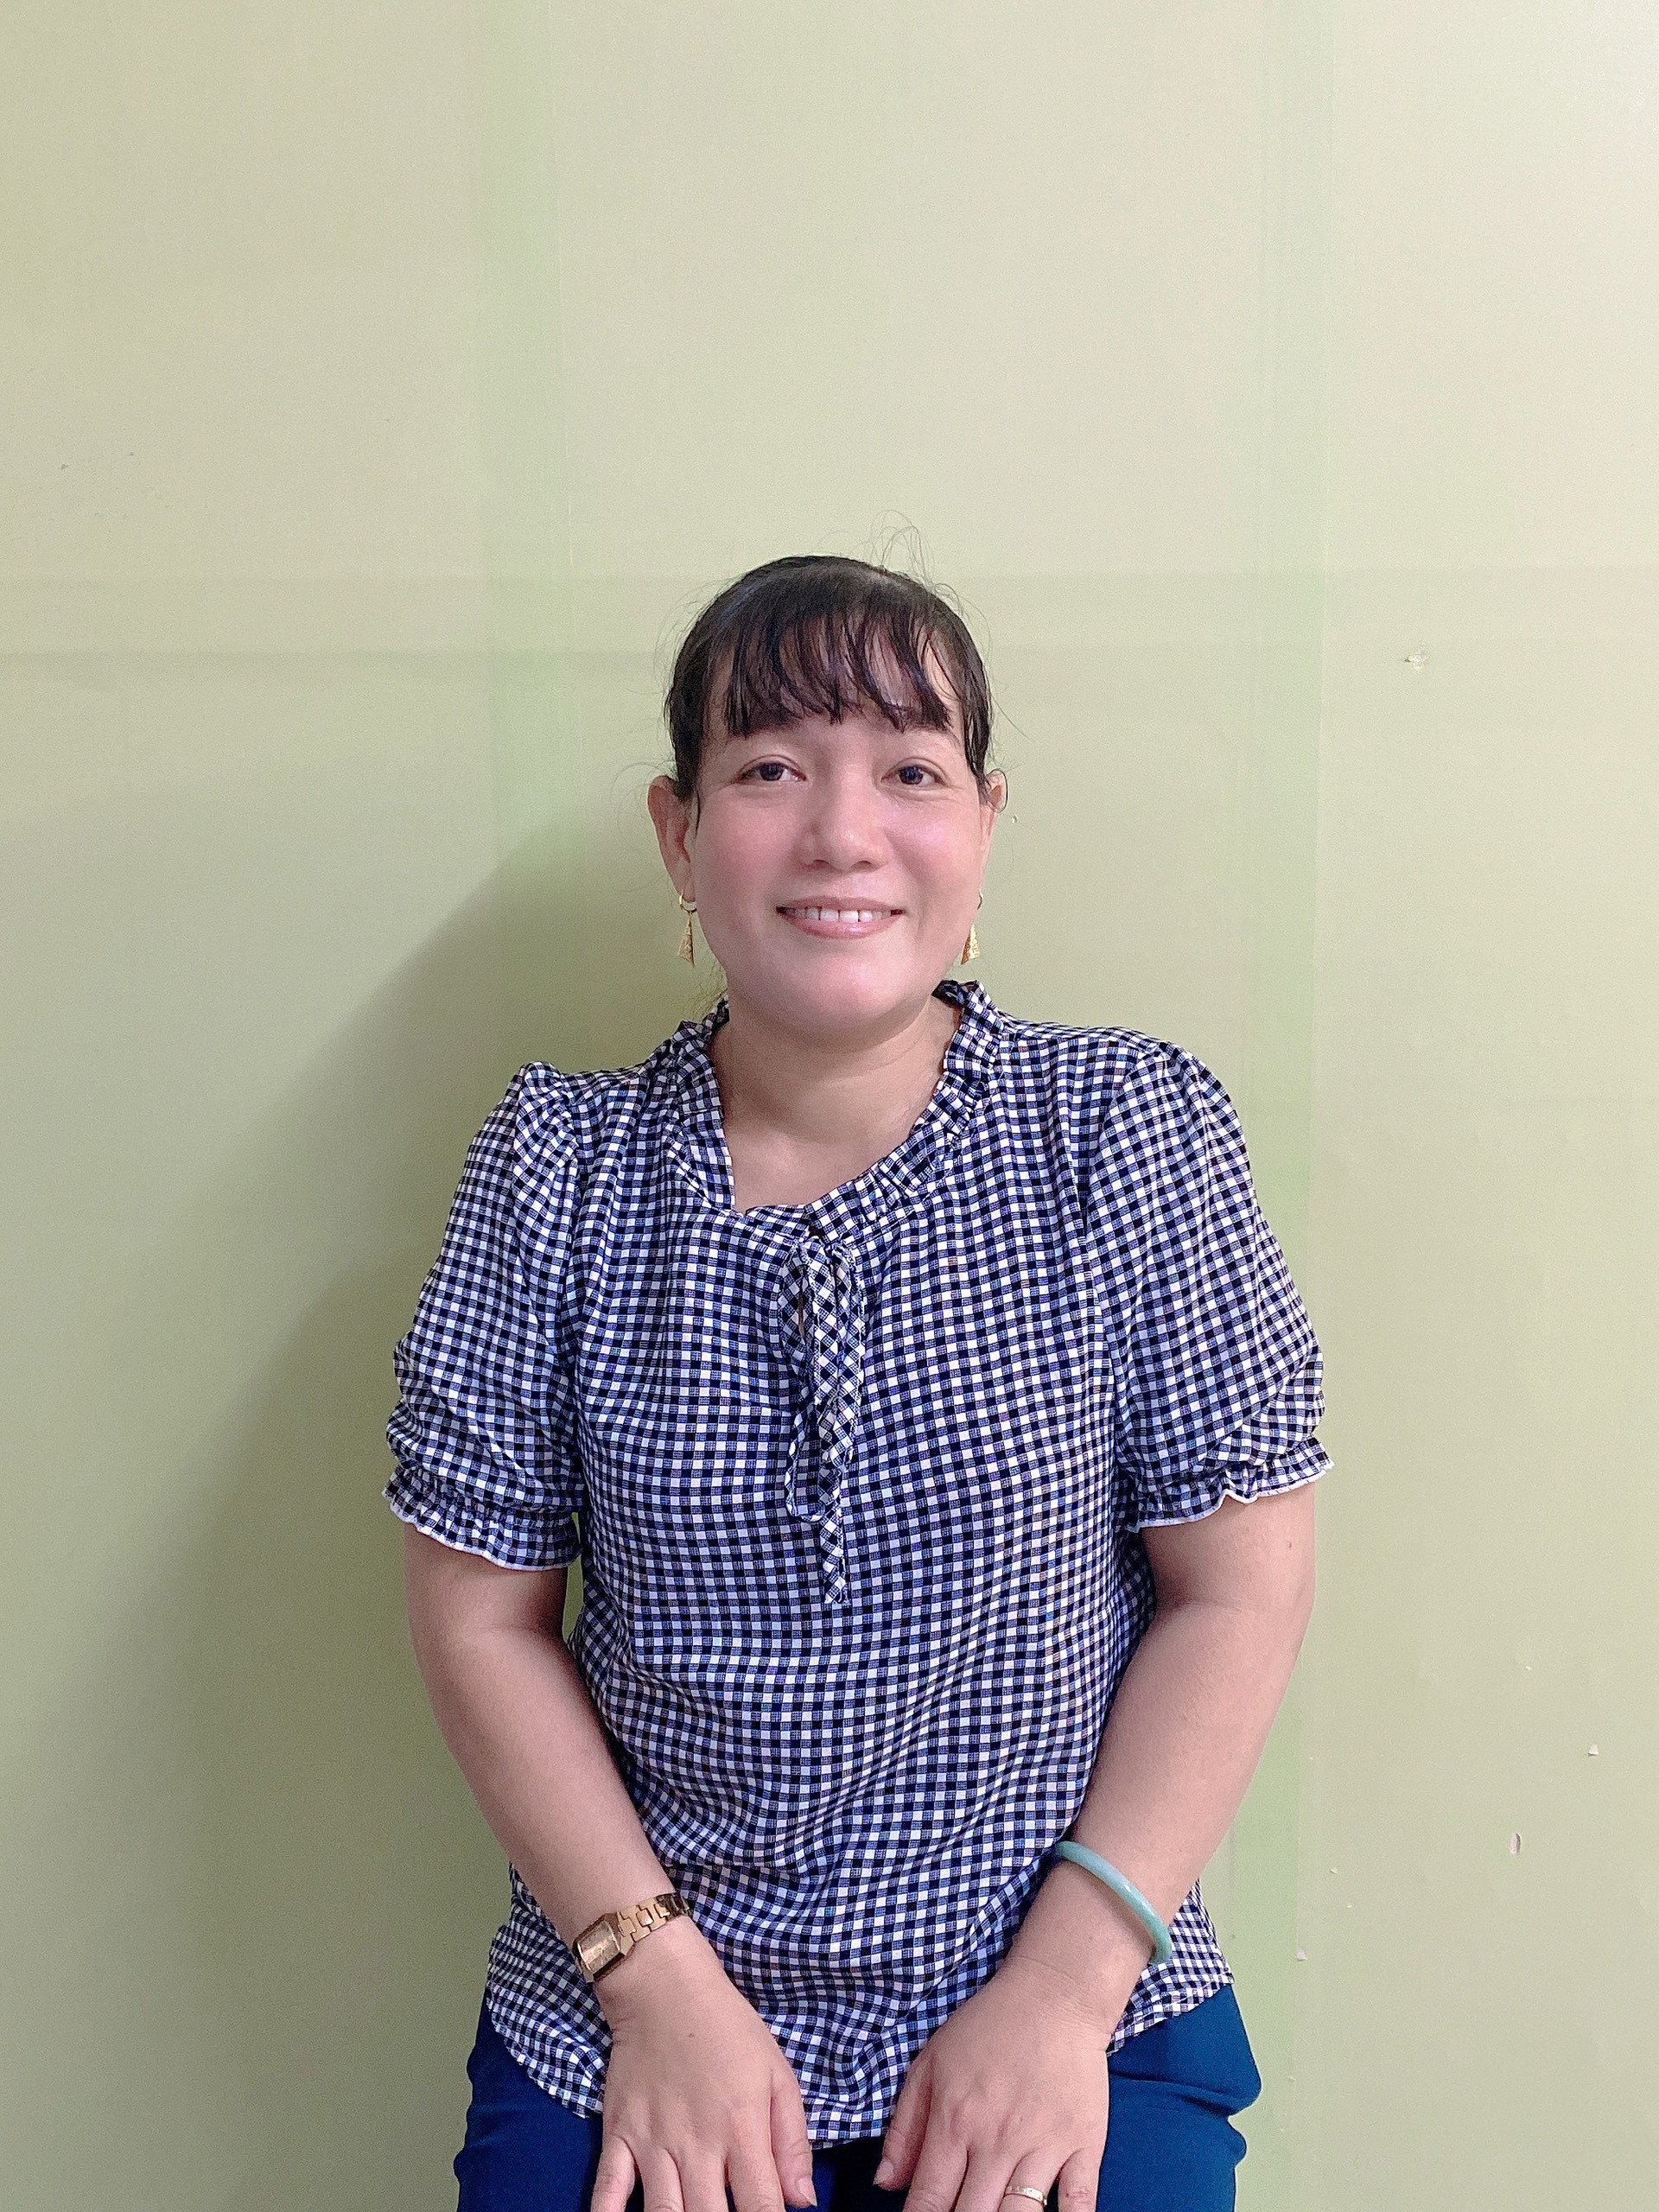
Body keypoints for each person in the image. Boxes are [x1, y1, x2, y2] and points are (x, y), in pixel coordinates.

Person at [385, 554, 1327, 2212]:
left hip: (1065, 2002)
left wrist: (1062, 1993)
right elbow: (480, 1619)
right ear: (680, 835)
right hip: (633, 2010)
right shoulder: (557, 1171)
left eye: (910, 770)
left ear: (984, 825)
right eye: (770, 768)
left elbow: (1237, 1590)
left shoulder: (1126, 1133)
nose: (842, 832)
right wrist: (658, 1988)